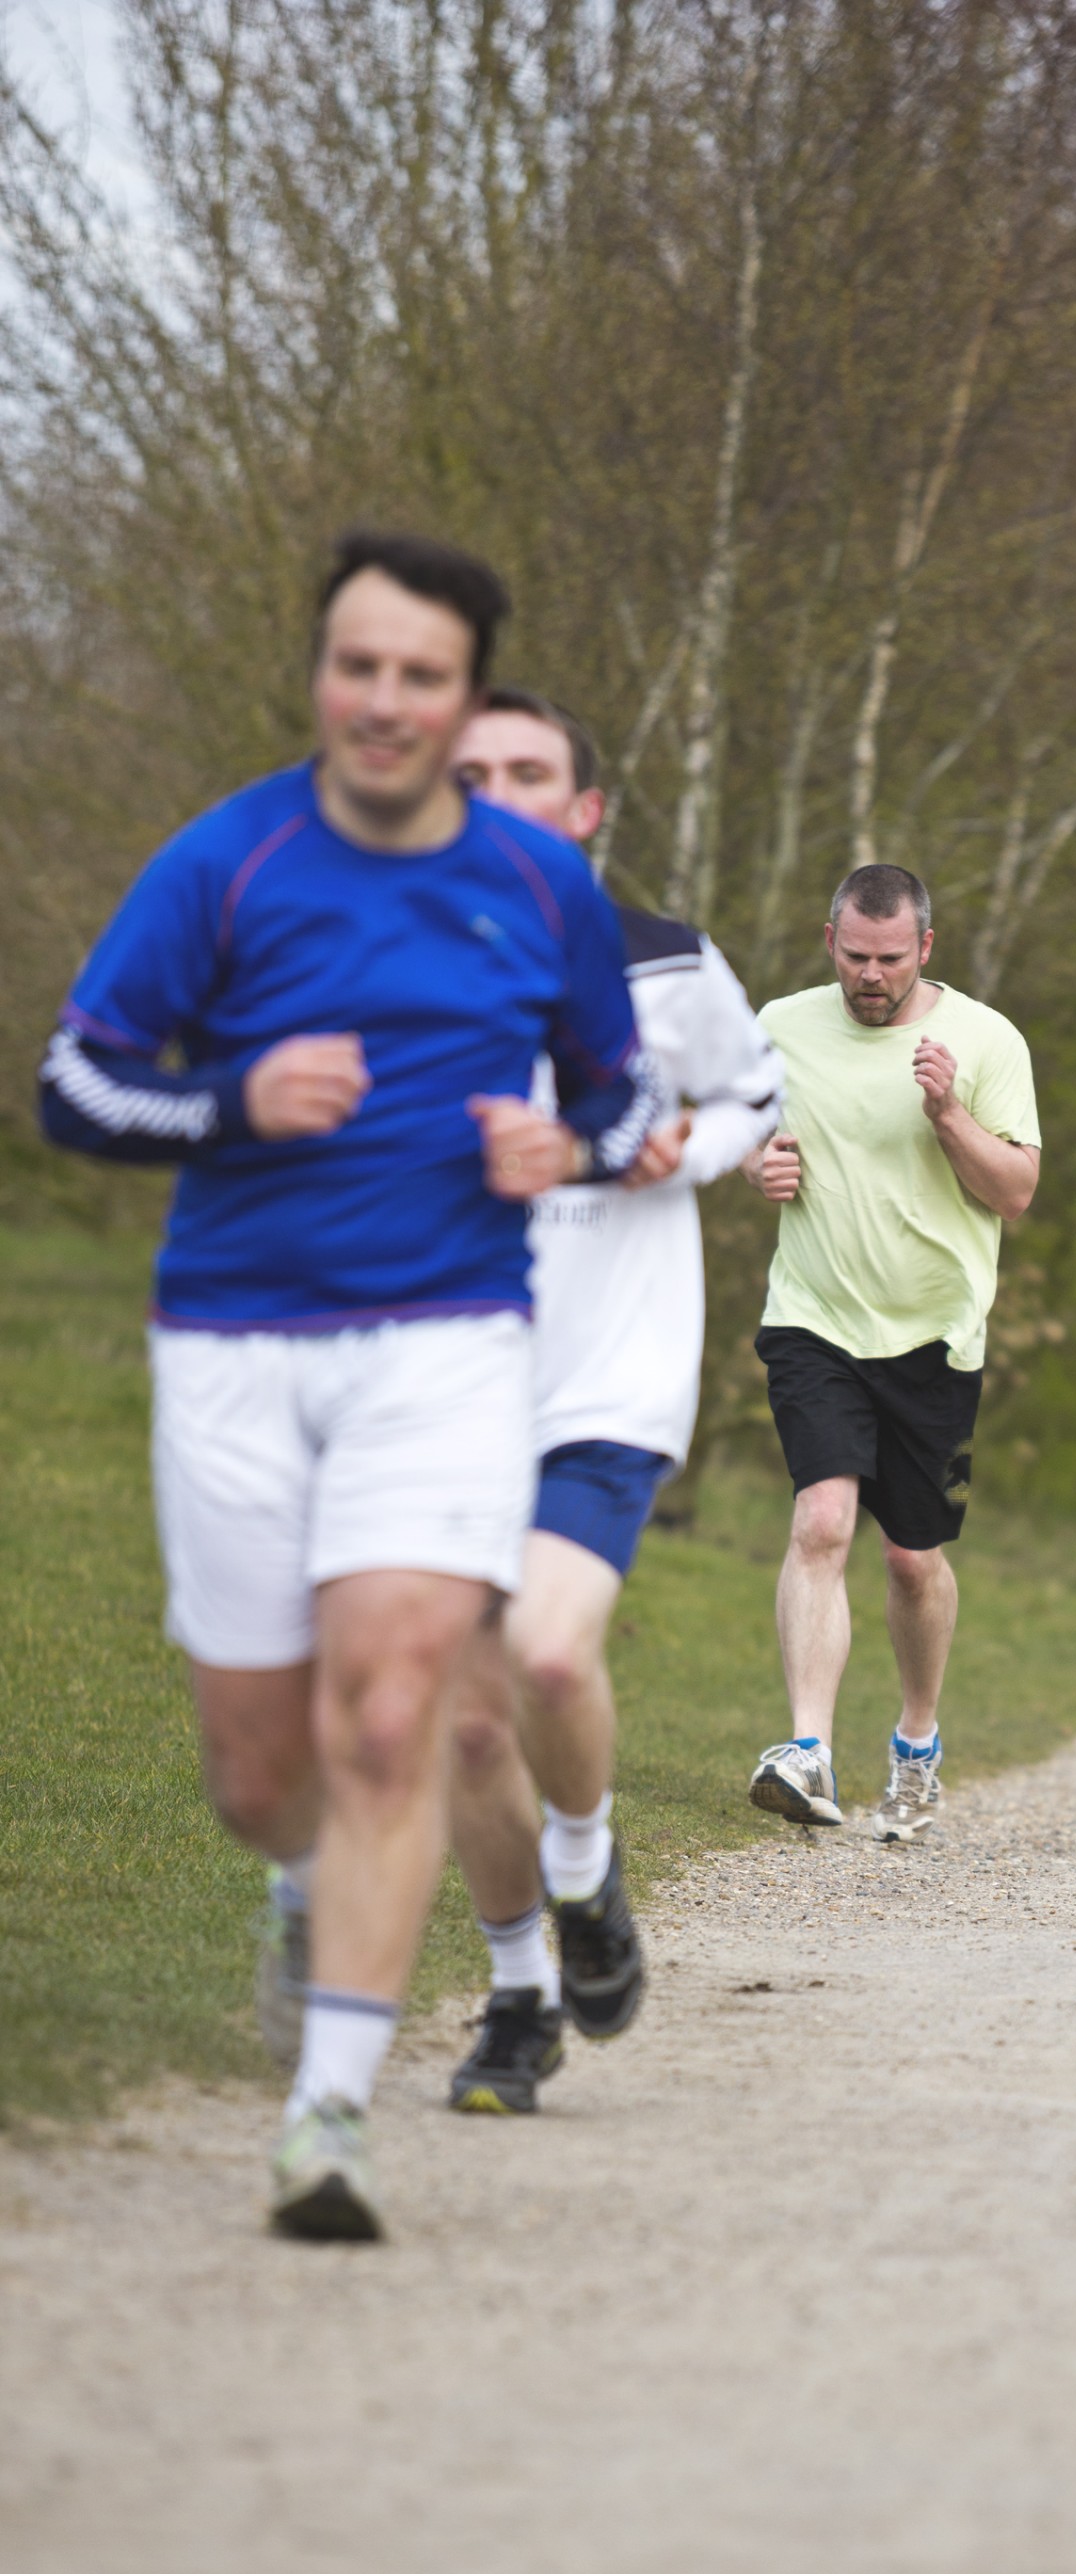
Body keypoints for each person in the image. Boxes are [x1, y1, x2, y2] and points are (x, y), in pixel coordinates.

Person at [38, 531, 663, 2239]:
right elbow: (76, 1088)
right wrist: (236, 1102)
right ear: (322, 674)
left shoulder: (543, 895)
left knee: (395, 1711)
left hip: (447, 1343)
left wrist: (570, 1142)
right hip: (234, 1346)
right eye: (357, 666)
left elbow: (624, 1108)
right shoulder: (226, 863)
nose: (384, 701)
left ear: (467, 701)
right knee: (263, 1772)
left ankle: (329, 2121)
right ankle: (299, 1882)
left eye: (421, 675)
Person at [441, 688, 783, 2113]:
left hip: (607, 1376)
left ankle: (585, 1873)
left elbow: (754, 1101)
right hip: (441, 1376)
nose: (501, 792)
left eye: (533, 773)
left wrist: (673, 1150)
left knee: (556, 1661)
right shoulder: (390, 964)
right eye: (473, 775)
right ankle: (519, 1999)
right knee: (466, 1727)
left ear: (586, 811)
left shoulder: (668, 965)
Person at [744, 865, 1040, 1839]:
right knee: (822, 1522)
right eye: (856, 957)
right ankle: (808, 1751)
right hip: (816, 1314)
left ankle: (916, 1744)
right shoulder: (781, 1025)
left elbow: (1016, 1193)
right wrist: (756, 1162)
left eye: (891, 960)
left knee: (912, 1561)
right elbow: (734, 1132)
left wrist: (950, 1114)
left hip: (934, 1335)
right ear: (829, 937)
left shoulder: (987, 1041)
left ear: (927, 950)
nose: (872, 977)